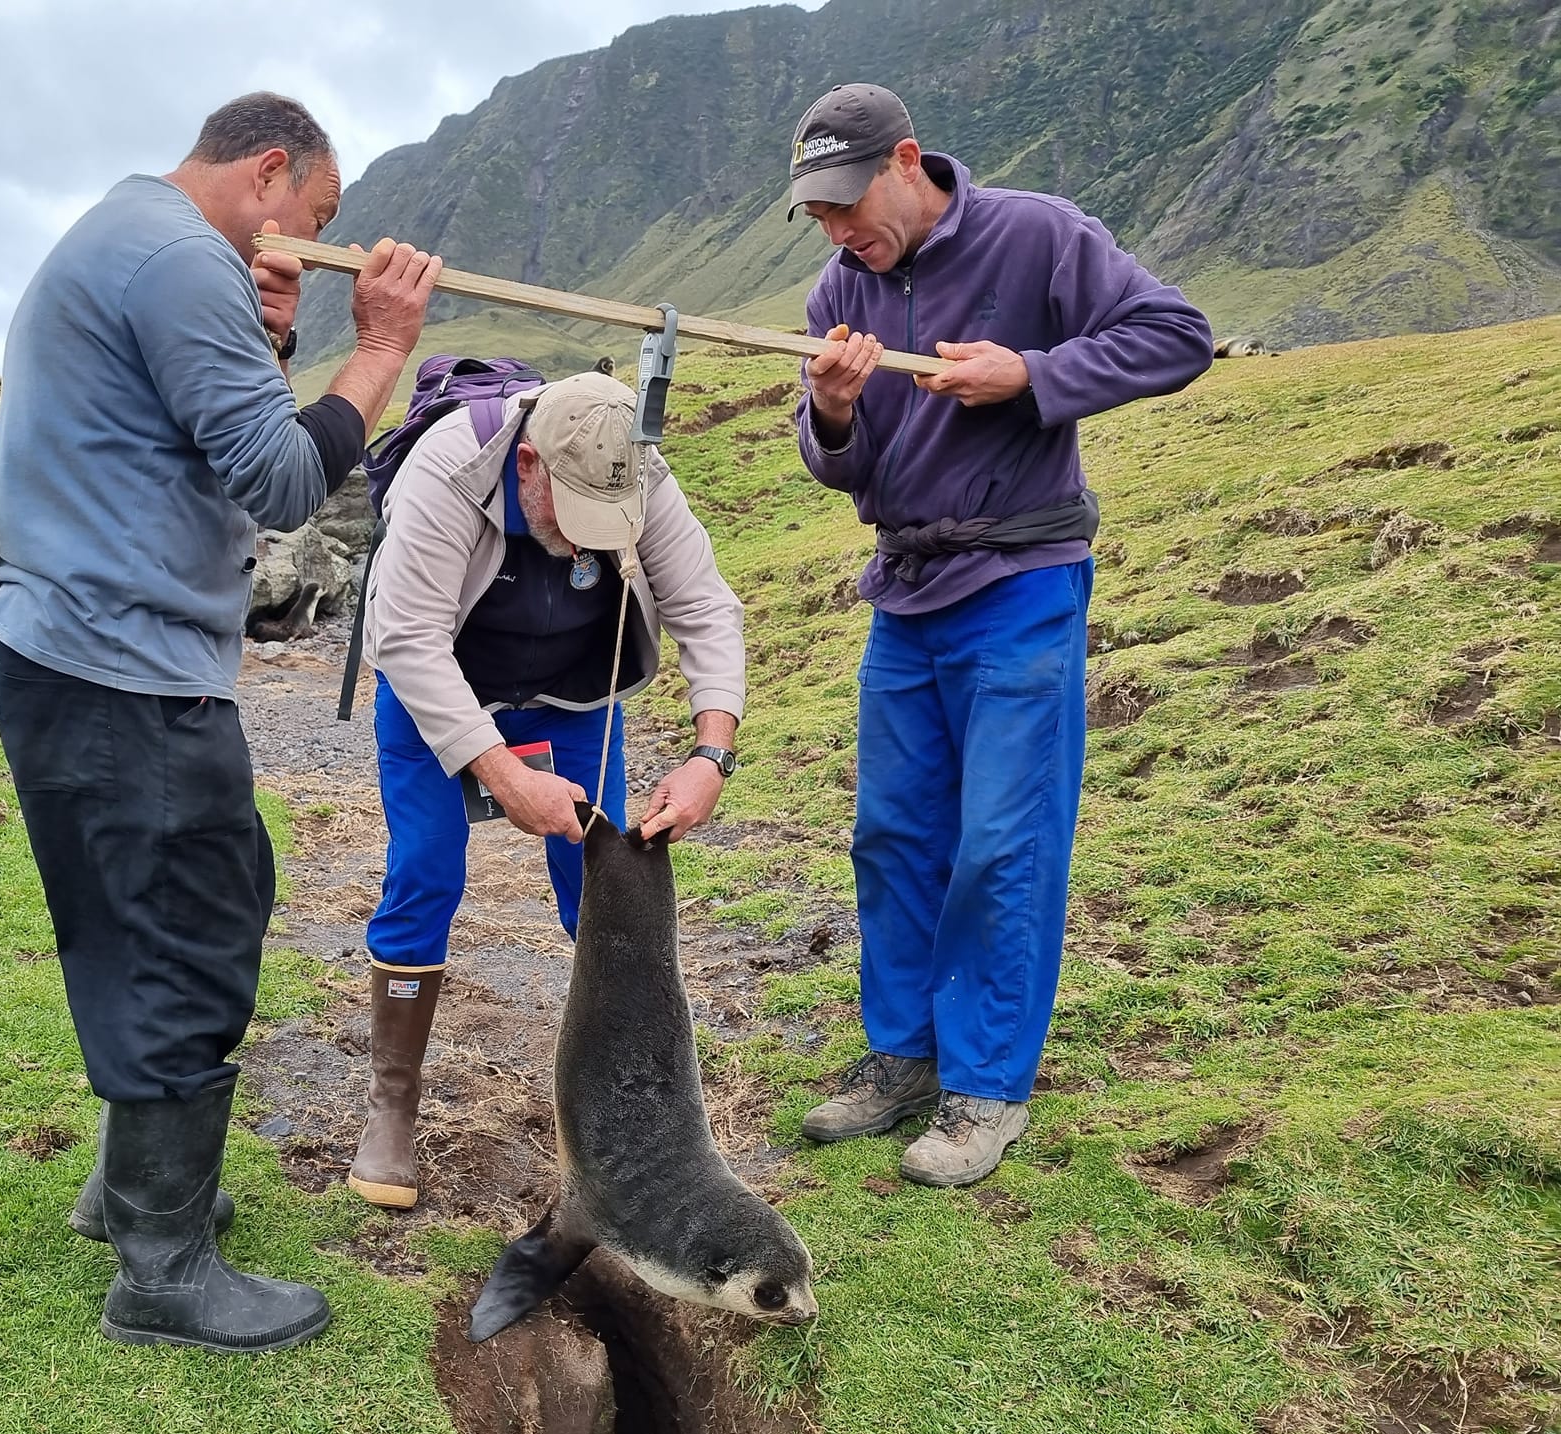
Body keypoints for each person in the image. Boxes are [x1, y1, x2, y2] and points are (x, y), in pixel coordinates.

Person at [0, 92, 441, 1352]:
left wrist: (273, 339)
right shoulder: (181, 257)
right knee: (190, 928)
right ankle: (162, 1273)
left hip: (77, 652)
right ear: (269, 173)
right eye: (318, 215)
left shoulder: (134, 236)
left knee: (164, 908)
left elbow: (199, 436)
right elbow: (283, 480)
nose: (317, 236)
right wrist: (381, 346)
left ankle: (135, 1191)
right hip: (119, 667)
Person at [786, 84, 1212, 1186]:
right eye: (819, 215)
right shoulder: (839, 287)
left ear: (907, 160)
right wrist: (830, 413)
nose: (839, 232)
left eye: (847, 204)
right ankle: (903, 1059)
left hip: (1021, 581)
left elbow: (1175, 335)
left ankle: (984, 1089)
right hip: (906, 590)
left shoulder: (1036, 235)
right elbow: (852, 466)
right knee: (889, 834)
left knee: (1000, 844)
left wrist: (1032, 376)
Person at [347, 371, 746, 1210]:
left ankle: (630, 1109)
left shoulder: (640, 470)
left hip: (574, 697)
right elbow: (407, 636)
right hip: (443, 690)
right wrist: (500, 773)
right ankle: (393, 1102)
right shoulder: (448, 468)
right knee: (425, 874)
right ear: (527, 464)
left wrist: (712, 754)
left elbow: (704, 607)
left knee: (610, 884)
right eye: (572, 519)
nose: (584, 545)